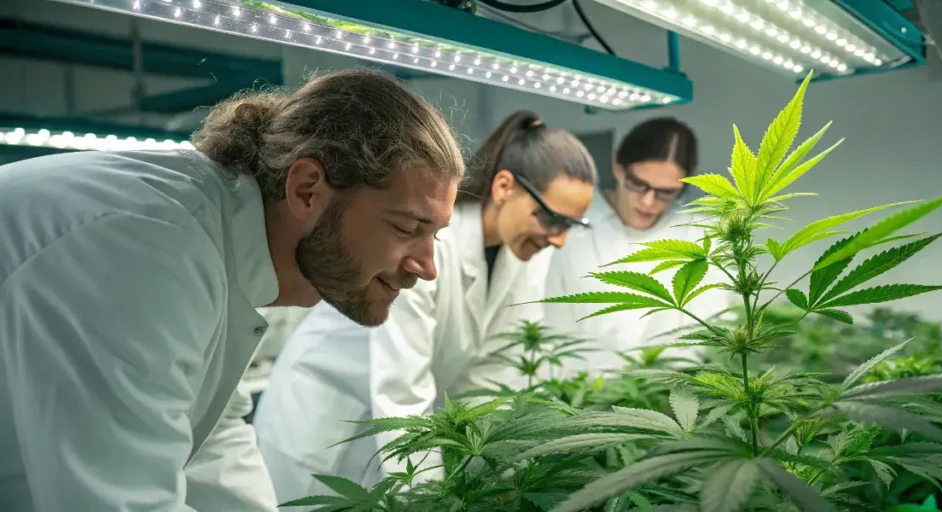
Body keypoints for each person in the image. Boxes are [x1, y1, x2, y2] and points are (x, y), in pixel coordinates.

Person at [0, 68, 464, 511]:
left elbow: (210, 441)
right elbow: (121, 502)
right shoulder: (152, 248)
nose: (428, 268)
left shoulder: (219, 239)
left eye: (435, 235)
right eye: (407, 227)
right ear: (306, 190)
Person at [253, 110, 597, 503]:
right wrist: (432, 501)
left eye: (571, 226)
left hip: (399, 433)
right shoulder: (429, 242)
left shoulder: (526, 256)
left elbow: (494, 377)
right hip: (323, 422)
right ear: (504, 187)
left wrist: (502, 483)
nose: (559, 240)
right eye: (552, 219)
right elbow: (401, 392)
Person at [544, 117, 731, 377]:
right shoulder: (568, 229)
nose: (648, 201)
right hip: (580, 391)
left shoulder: (700, 235)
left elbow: (715, 330)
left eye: (666, 192)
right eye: (638, 184)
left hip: (670, 392)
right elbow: (549, 329)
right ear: (618, 167)